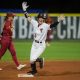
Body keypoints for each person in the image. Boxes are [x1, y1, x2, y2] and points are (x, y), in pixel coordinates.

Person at [21, 2, 64, 76]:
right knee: (31, 60)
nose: (41, 19)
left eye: (42, 18)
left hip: (41, 45)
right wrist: (24, 10)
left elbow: (53, 25)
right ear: (38, 19)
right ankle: (34, 70)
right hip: (34, 44)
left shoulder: (45, 26)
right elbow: (28, 17)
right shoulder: (34, 23)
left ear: (44, 20)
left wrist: (59, 20)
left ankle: (39, 62)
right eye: (40, 18)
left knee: (33, 59)